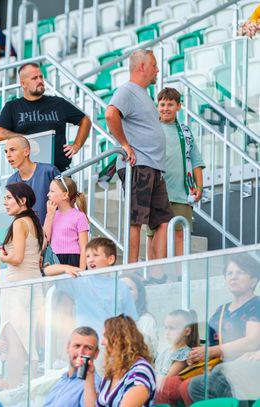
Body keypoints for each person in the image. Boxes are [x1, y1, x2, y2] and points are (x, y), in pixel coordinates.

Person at [105, 49, 174, 263]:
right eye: (154, 65)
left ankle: (157, 272)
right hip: (139, 165)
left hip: (153, 166)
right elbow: (110, 114)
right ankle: (131, 269)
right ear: (142, 67)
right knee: (136, 220)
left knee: (164, 221)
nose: (157, 70)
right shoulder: (127, 90)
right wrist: (125, 145)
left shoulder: (144, 94)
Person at [180, 256, 260, 405]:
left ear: (254, 280)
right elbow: (210, 344)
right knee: (193, 386)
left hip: (248, 364)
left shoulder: (256, 304)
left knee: (221, 372)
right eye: (229, 273)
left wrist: (212, 351)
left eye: (240, 272)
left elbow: (252, 342)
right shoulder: (220, 310)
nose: (233, 277)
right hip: (220, 365)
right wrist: (197, 355)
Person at [0, 63, 92, 172]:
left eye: (41, 77)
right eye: (34, 78)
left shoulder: (58, 103)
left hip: (59, 171)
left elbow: (85, 120)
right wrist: (26, 139)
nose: (40, 81)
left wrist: (76, 145)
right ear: (23, 84)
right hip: (29, 173)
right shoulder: (12, 107)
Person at [0, 326, 102, 407]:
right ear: (68, 348)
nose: (80, 352)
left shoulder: (92, 383)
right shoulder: (62, 379)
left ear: (96, 354)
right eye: (77, 346)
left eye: (88, 348)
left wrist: (89, 376)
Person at [146, 87, 205, 259]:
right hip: (155, 192)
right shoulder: (151, 129)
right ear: (157, 106)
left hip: (181, 193)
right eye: (162, 104)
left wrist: (199, 186)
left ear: (179, 106)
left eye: (170, 105)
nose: (166, 108)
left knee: (180, 234)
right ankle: (153, 271)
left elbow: (196, 161)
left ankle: (180, 272)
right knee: (153, 234)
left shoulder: (185, 132)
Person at [0, 182, 45, 388]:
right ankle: (30, 391)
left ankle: (13, 388)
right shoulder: (35, 223)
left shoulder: (19, 223)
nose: (5, 202)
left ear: (22, 200)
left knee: (15, 341)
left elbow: (17, 258)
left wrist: (4, 256)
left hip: (17, 288)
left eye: (9, 197)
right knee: (28, 341)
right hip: (33, 286)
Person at [49, 237, 138, 337]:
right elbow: (48, 271)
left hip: (110, 342)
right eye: (87, 256)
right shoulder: (80, 281)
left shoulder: (121, 287)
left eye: (95, 255)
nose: (90, 260)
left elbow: (131, 320)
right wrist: (67, 268)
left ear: (110, 259)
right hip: (84, 341)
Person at [84, 314, 157, 407]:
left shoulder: (141, 371)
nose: (102, 343)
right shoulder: (112, 372)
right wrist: (89, 375)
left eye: (106, 337)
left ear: (118, 339)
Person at [5, 135, 60, 224]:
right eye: (6, 151)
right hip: (27, 230)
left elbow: (65, 202)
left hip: (54, 228)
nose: (8, 155)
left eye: (12, 150)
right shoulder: (11, 181)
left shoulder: (49, 171)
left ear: (26, 152)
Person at [155, 309, 199, 406]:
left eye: (172, 328)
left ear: (187, 331)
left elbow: (168, 378)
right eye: (166, 327)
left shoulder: (185, 353)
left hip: (164, 393)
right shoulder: (164, 352)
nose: (167, 332)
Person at [43, 176, 89, 269]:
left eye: (52, 191)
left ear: (64, 195)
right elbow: (45, 241)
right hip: (54, 258)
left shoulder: (79, 216)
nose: (48, 194)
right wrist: (49, 216)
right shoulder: (51, 215)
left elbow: (84, 247)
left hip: (73, 259)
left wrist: (82, 270)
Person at [120, 273, 158, 358]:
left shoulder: (146, 320)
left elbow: (150, 352)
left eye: (129, 289)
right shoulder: (109, 319)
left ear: (139, 294)